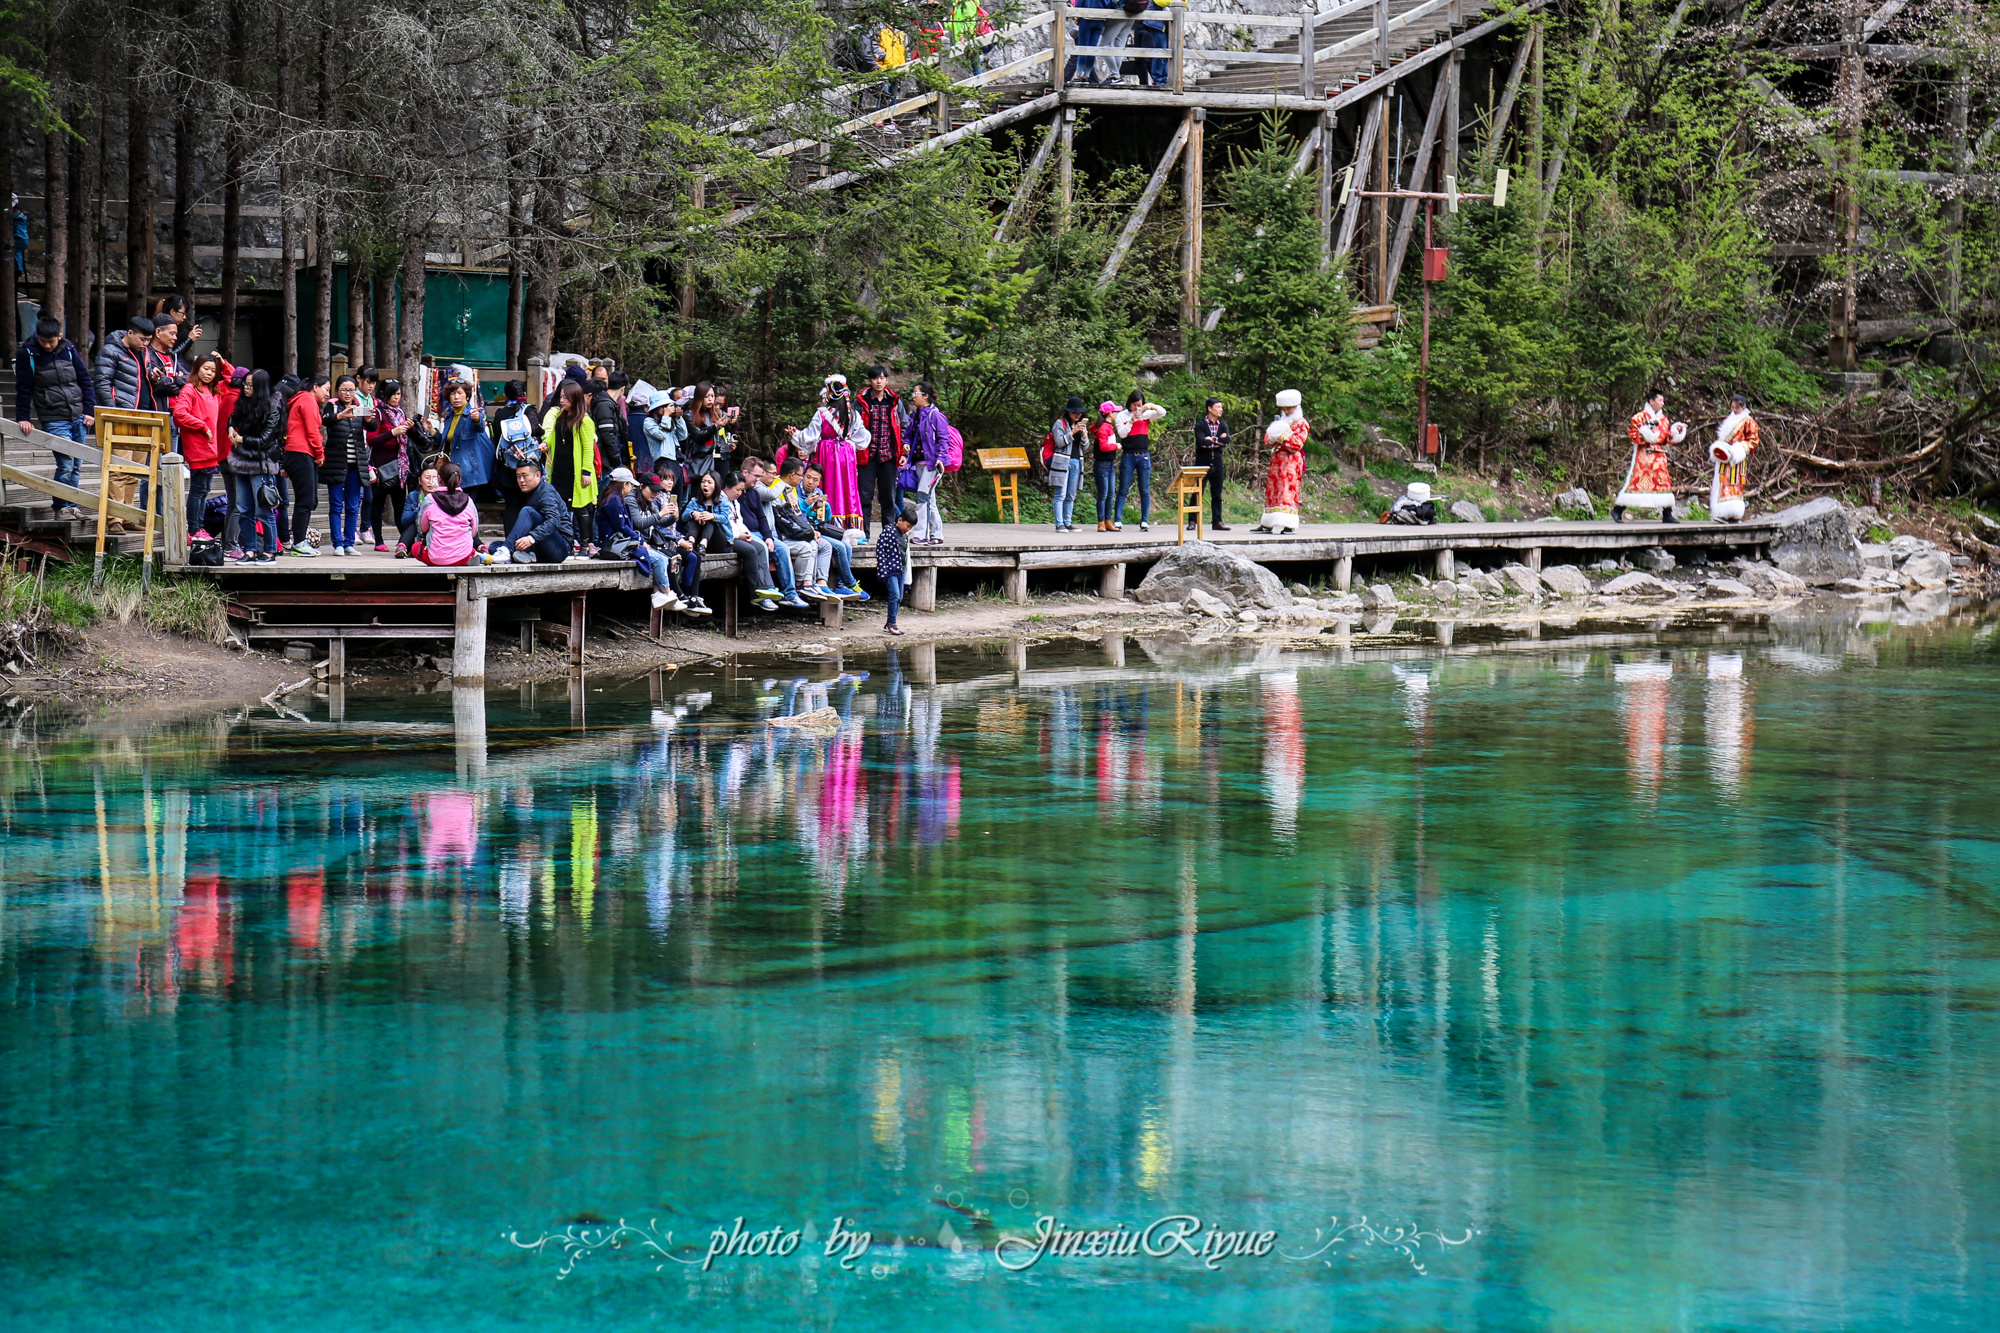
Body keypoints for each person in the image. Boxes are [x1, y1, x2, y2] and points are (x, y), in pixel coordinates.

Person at [13, 314, 96, 518]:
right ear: (37, 337)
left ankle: (72, 505)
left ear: (60, 336)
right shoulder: (28, 354)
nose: (48, 345)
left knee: (77, 465)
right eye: (43, 341)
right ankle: (60, 507)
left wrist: (89, 410)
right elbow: (24, 388)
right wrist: (23, 417)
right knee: (65, 463)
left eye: (51, 341)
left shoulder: (68, 349)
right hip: (53, 417)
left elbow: (85, 380)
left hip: (78, 416)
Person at [221, 369, 284, 562]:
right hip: (241, 461)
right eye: (245, 384)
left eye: (250, 385)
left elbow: (265, 439)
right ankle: (249, 550)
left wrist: (242, 439)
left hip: (261, 463)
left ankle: (270, 551)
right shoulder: (244, 401)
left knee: (263, 509)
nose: (245, 388)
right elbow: (234, 417)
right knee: (243, 508)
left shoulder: (273, 406)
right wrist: (231, 427)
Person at [793, 373, 869, 531]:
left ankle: (828, 523)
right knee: (848, 488)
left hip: (827, 454)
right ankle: (850, 525)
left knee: (828, 485)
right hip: (846, 455)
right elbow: (863, 440)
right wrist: (847, 442)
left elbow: (809, 437)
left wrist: (795, 435)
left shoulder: (822, 413)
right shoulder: (852, 415)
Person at [170, 351, 232, 535]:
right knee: (198, 490)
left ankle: (198, 528)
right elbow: (179, 414)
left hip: (213, 449)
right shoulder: (190, 389)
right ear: (197, 368)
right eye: (206, 368)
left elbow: (234, 381)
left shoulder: (215, 390)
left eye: (213, 371)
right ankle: (194, 529)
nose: (209, 373)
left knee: (204, 490)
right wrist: (202, 426)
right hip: (199, 448)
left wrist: (223, 363)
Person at [739, 456, 813, 607]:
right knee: (762, 549)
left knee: (783, 549)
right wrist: (784, 482)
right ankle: (764, 591)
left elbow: (761, 517)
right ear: (745, 473)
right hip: (746, 533)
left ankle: (790, 593)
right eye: (758, 476)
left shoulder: (753, 491)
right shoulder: (746, 489)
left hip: (764, 533)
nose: (759, 479)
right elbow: (771, 495)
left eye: (760, 476)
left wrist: (768, 537)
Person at [714, 468, 785, 611]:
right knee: (751, 551)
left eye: (741, 490)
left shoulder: (735, 502)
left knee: (760, 547)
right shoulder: (720, 501)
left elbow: (739, 521)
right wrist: (738, 535)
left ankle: (766, 587)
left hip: (738, 534)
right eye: (737, 490)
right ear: (727, 487)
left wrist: (746, 533)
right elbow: (723, 523)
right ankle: (755, 592)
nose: (739, 493)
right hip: (726, 538)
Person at [541, 379, 598, 551]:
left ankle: (586, 543)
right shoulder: (559, 416)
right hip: (560, 468)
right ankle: (566, 541)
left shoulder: (584, 421)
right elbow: (552, 436)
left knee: (581, 508)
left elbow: (589, 449)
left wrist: (586, 471)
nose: (562, 400)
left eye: (566, 397)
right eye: (561, 397)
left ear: (575, 399)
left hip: (576, 470)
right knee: (561, 505)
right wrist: (546, 444)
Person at [320, 374, 373, 555]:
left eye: (351, 390)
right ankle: (338, 544)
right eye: (344, 390)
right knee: (336, 505)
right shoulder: (332, 406)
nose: (348, 393)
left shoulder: (359, 408)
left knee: (352, 505)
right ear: (337, 391)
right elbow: (325, 419)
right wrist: (341, 415)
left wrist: (368, 419)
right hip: (336, 463)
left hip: (356, 465)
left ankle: (349, 542)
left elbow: (373, 427)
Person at [1615, 388, 1684, 524]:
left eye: (1663, 400)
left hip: (1659, 457)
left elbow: (1664, 439)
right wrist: (1647, 433)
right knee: (1636, 482)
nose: (1662, 403)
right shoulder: (1638, 417)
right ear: (1651, 401)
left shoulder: (1663, 420)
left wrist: (1674, 433)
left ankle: (1667, 513)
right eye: (1660, 400)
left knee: (1664, 482)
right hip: (1644, 455)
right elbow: (1634, 436)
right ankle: (1618, 509)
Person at [801, 462, 868, 599]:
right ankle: (851, 583)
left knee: (847, 546)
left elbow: (825, 520)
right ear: (803, 476)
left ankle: (841, 585)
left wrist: (826, 508)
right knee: (839, 547)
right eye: (808, 477)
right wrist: (807, 503)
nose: (810, 482)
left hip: (818, 530)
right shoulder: (796, 491)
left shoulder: (818, 493)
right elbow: (797, 515)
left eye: (815, 480)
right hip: (805, 533)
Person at [488, 461, 576, 565]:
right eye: (518, 476)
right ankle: (524, 555)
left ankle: (509, 553)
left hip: (560, 548)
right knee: (494, 546)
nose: (521, 480)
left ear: (538, 475)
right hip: (539, 545)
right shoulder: (528, 493)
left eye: (525, 476)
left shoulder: (546, 491)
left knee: (527, 511)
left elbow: (553, 521)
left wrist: (531, 538)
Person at [283, 373, 331, 556]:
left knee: (307, 499)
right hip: (302, 453)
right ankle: (300, 542)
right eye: (326, 389)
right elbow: (312, 431)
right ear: (315, 387)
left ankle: (300, 540)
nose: (327, 394)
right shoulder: (308, 401)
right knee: (305, 500)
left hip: (296, 453)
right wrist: (320, 453)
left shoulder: (300, 400)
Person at [853, 367, 903, 540]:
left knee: (888, 497)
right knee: (864, 496)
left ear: (887, 380)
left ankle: (888, 534)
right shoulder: (861, 401)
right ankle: (863, 534)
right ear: (870, 381)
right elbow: (852, 427)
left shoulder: (894, 401)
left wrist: (903, 450)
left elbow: (903, 426)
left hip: (888, 456)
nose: (879, 381)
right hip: (866, 456)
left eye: (882, 378)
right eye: (875, 378)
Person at [368, 379, 415, 553]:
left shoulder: (400, 412)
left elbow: (409, 437)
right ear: (383, 395)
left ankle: (404, 540)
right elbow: (371, 439)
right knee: (378, 504)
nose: (397, 397)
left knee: (400, 505)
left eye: (399, 394)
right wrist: (392, 433)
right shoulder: (378, 413)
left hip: (400, 467)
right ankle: (378, 540)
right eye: (393, 394)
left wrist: (411, 427)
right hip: (382, 467)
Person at [1253, 389, 1307, 534]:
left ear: (1296, 407)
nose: (1286, 411)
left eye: (1288, 408)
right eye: (1284, 408)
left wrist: (1283, 435)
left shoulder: (1301, 423)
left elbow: (1296, 444)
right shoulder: (1282, 421)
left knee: (1287, 490)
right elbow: (1268, 438)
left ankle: (1289, 524)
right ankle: (1268, 523)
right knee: (1272, 490)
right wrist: (1274, 436)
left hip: (1291, 463)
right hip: (1276, 461)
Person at [492, 379, 542, 532]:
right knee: (529, 506)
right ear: (524, 394)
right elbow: (538, 432)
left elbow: (496, 439)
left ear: (505, 396)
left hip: (508, 467)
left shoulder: (500, 415)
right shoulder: (530, 411)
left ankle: (510, 543)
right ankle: (527, 541)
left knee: (511, 506)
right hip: (528, 466)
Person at [1113, 390, 1166, 532]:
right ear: (1129, 404)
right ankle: (1117, 520)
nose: (1137, 408)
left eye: (1140, 405)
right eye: (1135, 405)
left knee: (1144, 489)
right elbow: (1122, 433)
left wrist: (1151, 406)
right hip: (1128, 455)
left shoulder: (1146, 415)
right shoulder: (1121, 416)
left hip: (1143, 455)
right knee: (1123, 488)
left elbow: (1162, 412)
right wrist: (1132, 420)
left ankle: (1144, 521)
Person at [905, 382, 951, 545]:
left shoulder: (935, 415)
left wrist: (941, 457)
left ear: (925, 396)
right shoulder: (915, 415)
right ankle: (936, 534)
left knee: (922, 496)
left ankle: (921, 534)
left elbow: (944, 438)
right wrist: (906, 443)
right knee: (929, 498)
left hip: (933, 465)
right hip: (918, 463)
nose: (913, 396)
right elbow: (908, 434)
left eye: (916, 393)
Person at [416, 462, 479, 566]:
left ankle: (444, 560)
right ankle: (472, 554)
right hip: (463, 556)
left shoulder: (430, 500)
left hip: (436, 557)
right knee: (467, 548)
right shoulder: (468, 501)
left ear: (439, 479)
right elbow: (474, 531)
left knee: (416, 548)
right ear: (459, 479)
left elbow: (423, 528)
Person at [436, 379, 493, 497]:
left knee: (467, 506)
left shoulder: (472, 413)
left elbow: (480, 427)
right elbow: (447, 441)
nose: (456, 397)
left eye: (460, 393)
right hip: (451, 470)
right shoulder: (449, 417)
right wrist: (431, 431)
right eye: (452, 394)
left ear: (467, 396)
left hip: (469, 470)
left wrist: (477, 418)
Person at [1708, 393, 1759, 524]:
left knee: (1734, 484)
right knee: (1722, 483)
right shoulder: (1728, 419)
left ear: (1743, 407)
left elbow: (1753, 442)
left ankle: (1733, 514)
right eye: (1732, 407)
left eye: (1736, 408)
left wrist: (1738, 449)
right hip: (1724, 457)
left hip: (1737, 458)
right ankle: (1724, 513)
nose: (1734, 410)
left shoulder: (1749, 422)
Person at [1044, 396, 1089, 533]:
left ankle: (1068, 522)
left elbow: (1085, 447)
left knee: (1071, 494)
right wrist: (1072, 432)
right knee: (1060, 494)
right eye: (1075, 412)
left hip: (1077, 461)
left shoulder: (1081, 425)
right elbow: (1059, 442)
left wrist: (1083, 434)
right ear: (1068, 412)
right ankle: (1059, 523)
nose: (1077, 415)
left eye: (1080, 412)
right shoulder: (1060, 423)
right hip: (1062, 462)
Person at [1191, 396, 1230, 530]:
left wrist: (1211, 440)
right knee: (1197, 492)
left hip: (1218, 463)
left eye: (1221, 407)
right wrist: (1218, 440)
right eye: (1218, 407)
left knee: (1217, 494)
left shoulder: (1223, 425)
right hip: (1202, 464)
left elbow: (1226, 441)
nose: (1221, 410)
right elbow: (1201, 443)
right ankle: (1192, 521)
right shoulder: (1200, 424)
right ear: (1209, 409)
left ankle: (1217, 521)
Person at [876, 502, 915, 636]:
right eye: (907, 526)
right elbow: (880, 550)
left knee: (900, 596)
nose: (908, 529)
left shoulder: (905, 536)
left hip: (901, 570)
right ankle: (892, 623)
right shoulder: (889, 531)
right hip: (890, 569)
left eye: (911, 527)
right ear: (900, 520)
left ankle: (890, 622)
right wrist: (882, 569)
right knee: (895, 594)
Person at [589, 367, 631, 473]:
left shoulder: (608, 403)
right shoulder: (605, 405)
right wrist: (616, 460)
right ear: (623, 388)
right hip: (605, 461)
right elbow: (607, 434)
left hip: (607, 460)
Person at [397, 463, 442, 554]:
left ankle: (478, 546)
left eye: (435, 478)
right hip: (419, 530)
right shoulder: (414, 496)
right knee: (413, 524)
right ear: (420, 480)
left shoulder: (444, 496)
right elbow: (404, 520)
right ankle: (401, 547)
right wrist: (420, 508)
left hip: (438, 530)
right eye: (427, 478)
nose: (431, 482)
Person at [1066, 0, 1115, 83]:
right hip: (1100, 20)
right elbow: (1109, 4)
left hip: (1087, 19)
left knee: (1083, 48)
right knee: (1092, 49)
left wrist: (1077, 17)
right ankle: (1086, 74)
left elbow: (1080, 3)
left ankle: (1079, 75)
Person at [1092, 400, 1121, 532]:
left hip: (1109, 464)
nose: (1117, 414)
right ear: (1110, 414)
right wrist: (1116, 446)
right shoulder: (1104, 428)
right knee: (1103, 494)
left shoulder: (1108, 427)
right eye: (1115, 412)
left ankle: (1108, 520)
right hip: (1102, 464)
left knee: (1110, 494)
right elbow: (1103, 447)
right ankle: (1101, 522)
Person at [1095, 0, 1139, 84]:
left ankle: (1115, 75)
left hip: (1119, 13)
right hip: (1132, 14)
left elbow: (1114, 1)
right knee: (1119, 46)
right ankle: (1114, 76)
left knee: (1104, 45)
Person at [1133, 0, 1171, 86]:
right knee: (1140, 58)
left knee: (1161, 54)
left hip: (1159, 24)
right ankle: (1153, 81)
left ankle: (1159, 80)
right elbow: (1159, 2)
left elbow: (1184, 3)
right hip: (1152, 23)